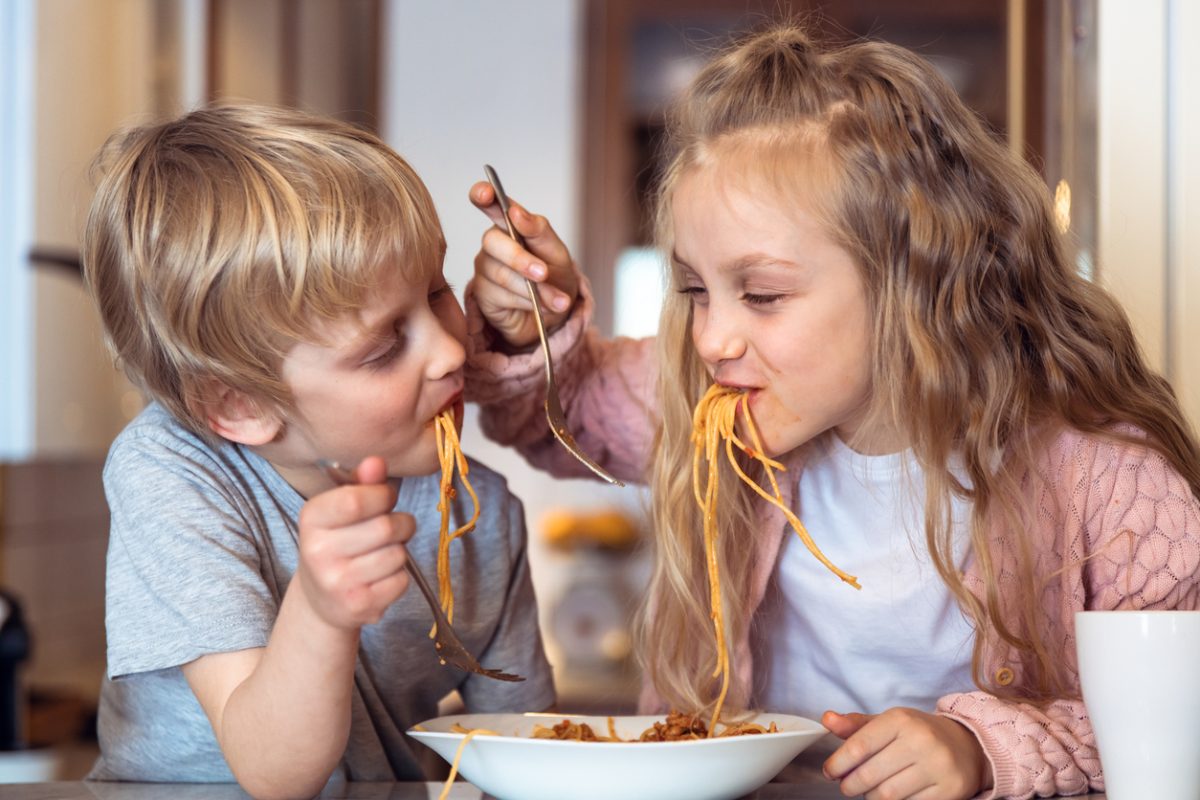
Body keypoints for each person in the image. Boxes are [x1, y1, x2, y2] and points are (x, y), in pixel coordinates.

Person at [464, 23, 1200, 800]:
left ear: (911, 282)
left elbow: (1184, 714)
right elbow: (557, 416)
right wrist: (532, 329)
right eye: (693, 290)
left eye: (763, 296)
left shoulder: (1108, 482)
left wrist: (985, 749)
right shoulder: (706, 404)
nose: (712, 338)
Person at [80, 104, 554, 798]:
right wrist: (323, 612)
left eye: (437, 291)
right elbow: (274, 773)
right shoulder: (171, 472)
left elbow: (528, 756)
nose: (452, 350)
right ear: (239, 406)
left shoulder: (482, 516)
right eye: (387, 345)